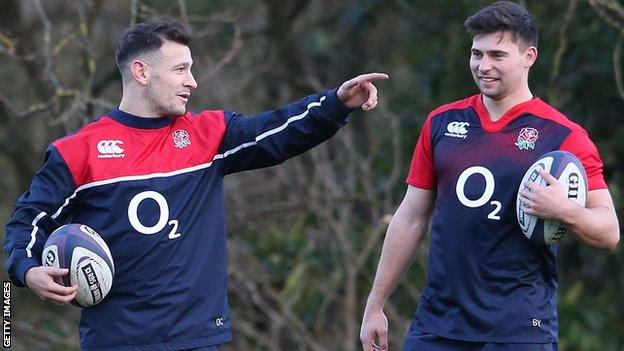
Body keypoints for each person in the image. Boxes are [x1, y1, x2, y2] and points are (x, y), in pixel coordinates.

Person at [3, 20, 388, 350]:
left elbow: (278, 131)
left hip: (199, 338)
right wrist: (27, 269)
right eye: (180, 69)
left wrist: (336, 103)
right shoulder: (78, 151)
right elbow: (28, 220)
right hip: (116, 340)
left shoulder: (209, 134)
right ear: (141, 72)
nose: (193, 81)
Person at [360, 2, 619, 351]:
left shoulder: (564, 136)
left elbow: (609, 232)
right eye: (476, 54)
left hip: (518, 329)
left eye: (497, 55)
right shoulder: (441, 122)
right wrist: (375, 304)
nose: (484, 66)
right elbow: (410, 217)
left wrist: (565, 209)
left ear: (529, 56)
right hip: (439, 325)